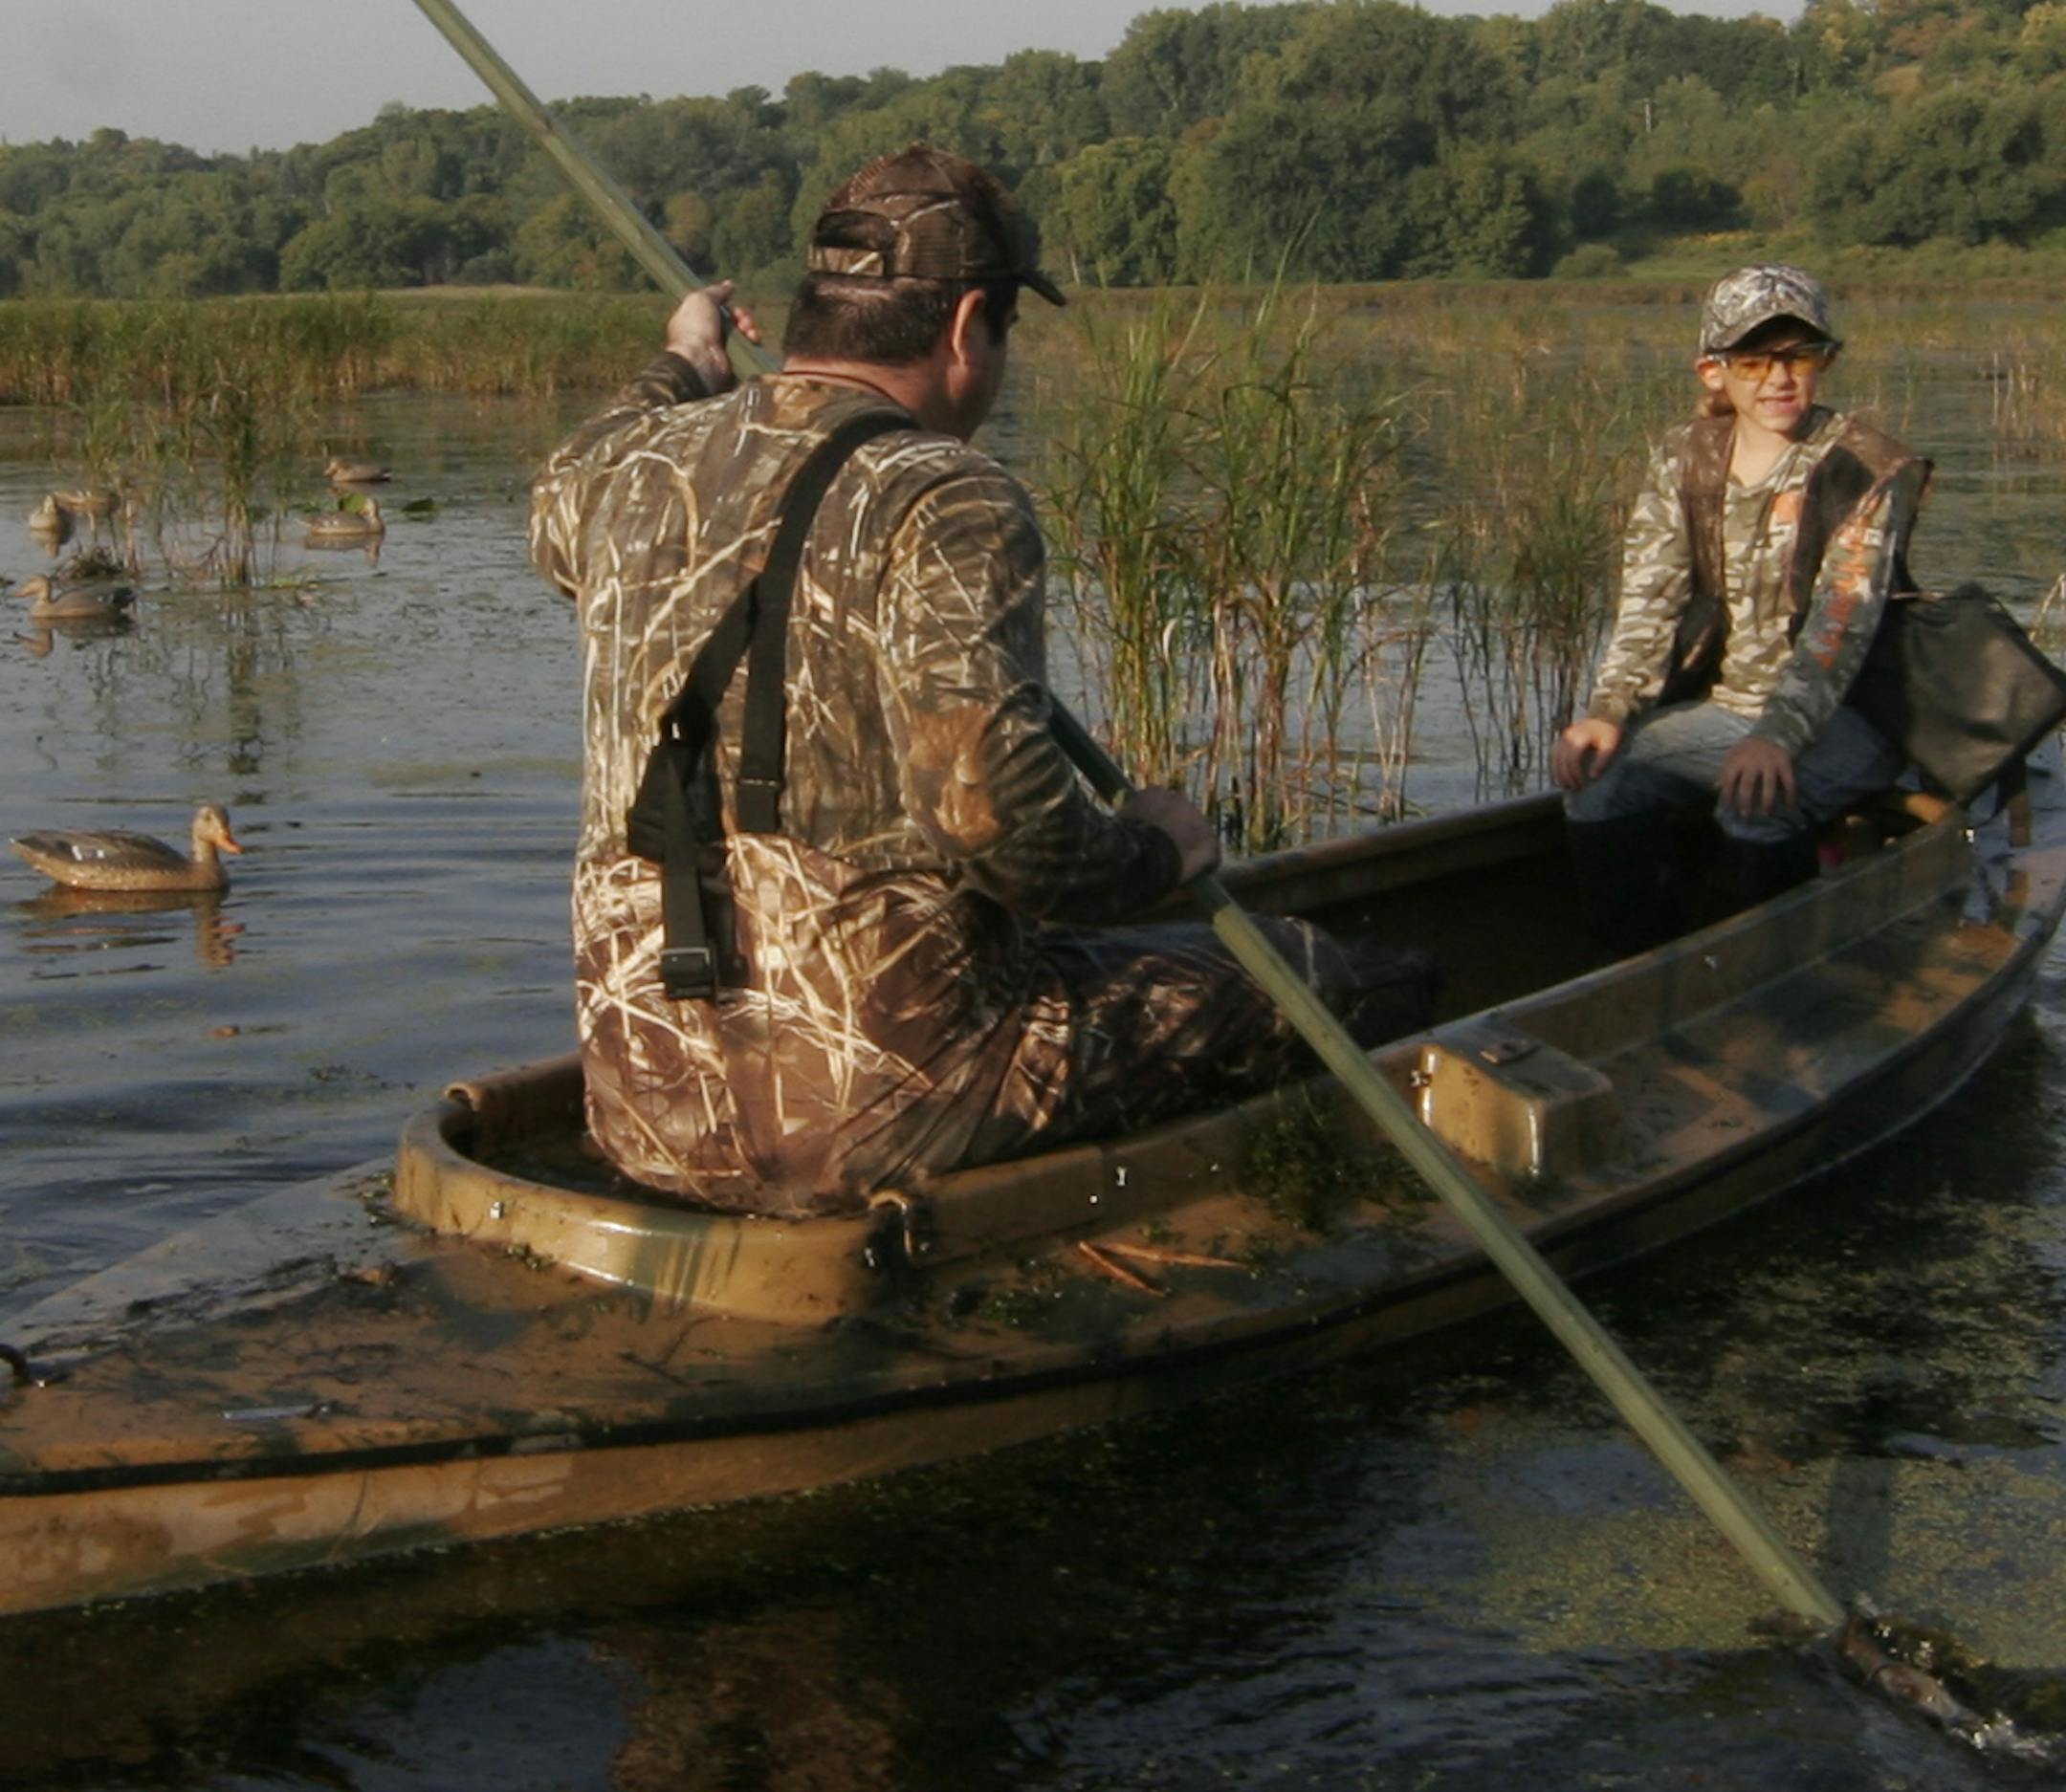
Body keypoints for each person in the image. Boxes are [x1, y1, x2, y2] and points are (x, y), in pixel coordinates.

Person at [531, 143, 1437, 1217]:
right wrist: (1156, 849)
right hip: (875, 1114)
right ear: (968, 326)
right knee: (1321, 977)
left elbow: (569, 481)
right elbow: (999, 825)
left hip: (647, 1108)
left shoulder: (622, 471)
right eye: (1006, 330)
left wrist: (684, 361)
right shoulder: (943, 492)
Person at [1550, 264, 1928, 952]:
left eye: (1799, 357)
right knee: (1597, 786)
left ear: (1826, 362)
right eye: (1755, 360)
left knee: (1756, 801)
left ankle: (1776, 977)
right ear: (1713, 370)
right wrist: (1609, 710)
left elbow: (1841, 627)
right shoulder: (1683, 457)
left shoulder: (1868, 466)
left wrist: (1777, 735)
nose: (1778, 379)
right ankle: (1632, 973)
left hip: (1855, 715)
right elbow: (1649, 598)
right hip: (1727, 709)